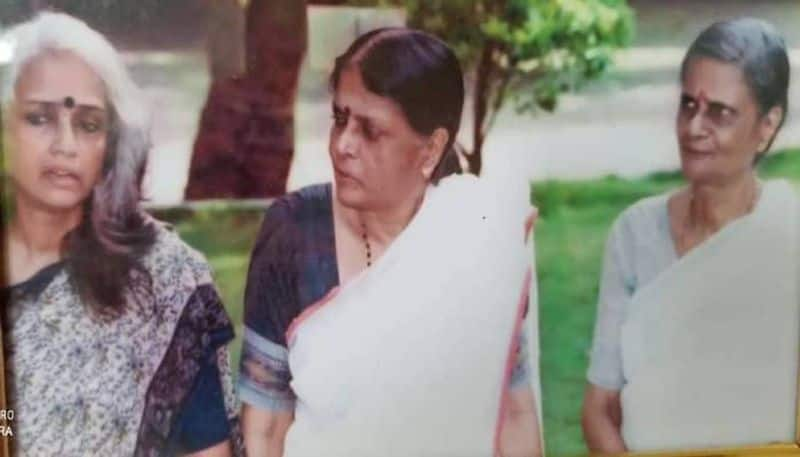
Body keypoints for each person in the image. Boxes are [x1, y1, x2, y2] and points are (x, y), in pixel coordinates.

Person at [238, 28, 542, 457]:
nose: (343, 145)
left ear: (431, 149)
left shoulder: (474, 237)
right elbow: (264, 428)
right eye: (340, 119)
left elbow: (513, 413)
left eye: (370, 131)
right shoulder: (295, 233)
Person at [1, 13, 242, 456]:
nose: (65, 145)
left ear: (111, 144)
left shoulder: (164, 280)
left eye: (88, 125)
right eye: (40, 119)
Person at [582, 18, 796, 453]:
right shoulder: (635, 233)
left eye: (719, 112)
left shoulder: (789, 234)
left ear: (768, 125)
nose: (694, 127)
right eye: (688, 105)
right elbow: (599, 409)